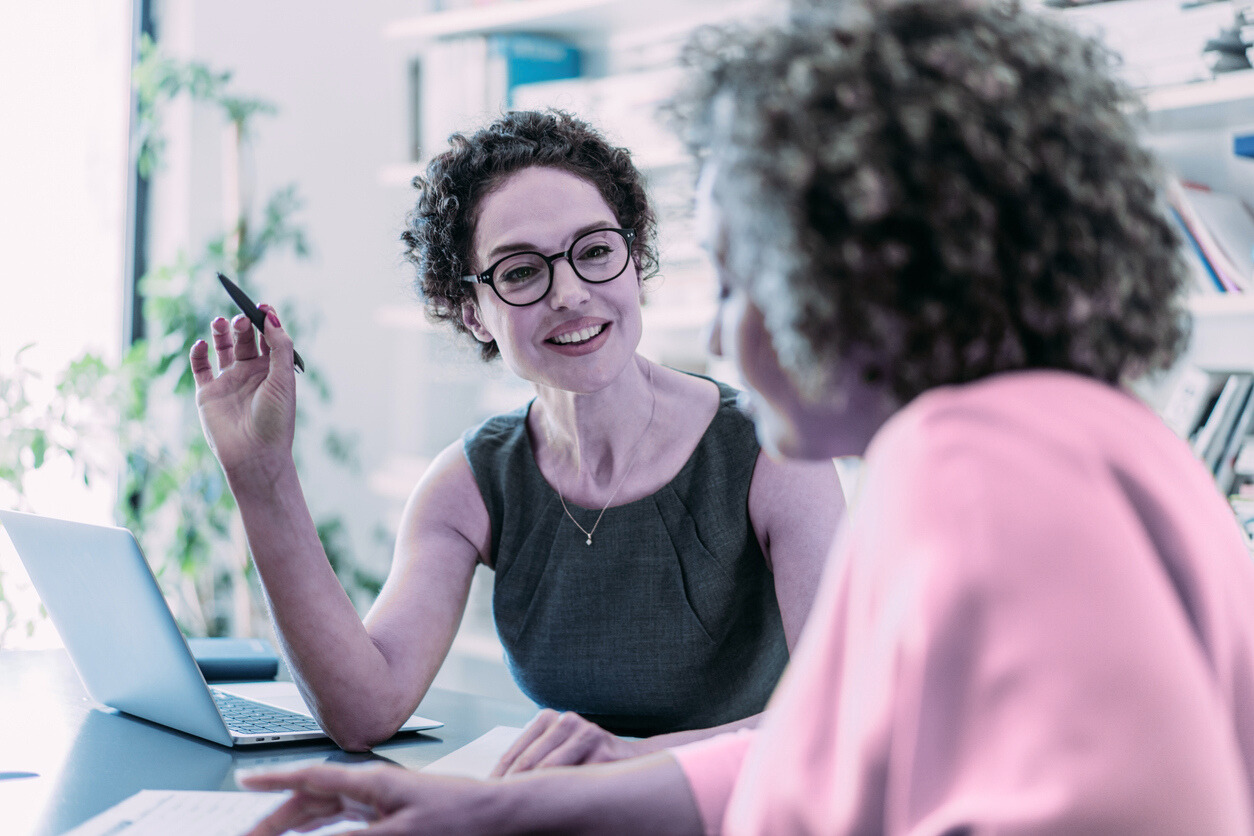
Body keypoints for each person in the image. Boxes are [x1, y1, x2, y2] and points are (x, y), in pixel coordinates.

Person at [238, 1, 1254, 833]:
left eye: (736, 280)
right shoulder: (1043, 435)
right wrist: (505, 809)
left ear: (862, 268)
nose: (719, 343)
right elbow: (815, 750)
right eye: (522, 273)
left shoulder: (978, 463)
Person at [189, 110, 844, 755]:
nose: (569, 293)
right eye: (522, 271)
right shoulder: (468, 485)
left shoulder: (777, 451)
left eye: (594, 252)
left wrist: (630, 766)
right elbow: (364, 709)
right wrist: (261, 475)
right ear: (473, 313)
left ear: (635, 262)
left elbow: (845, 714)